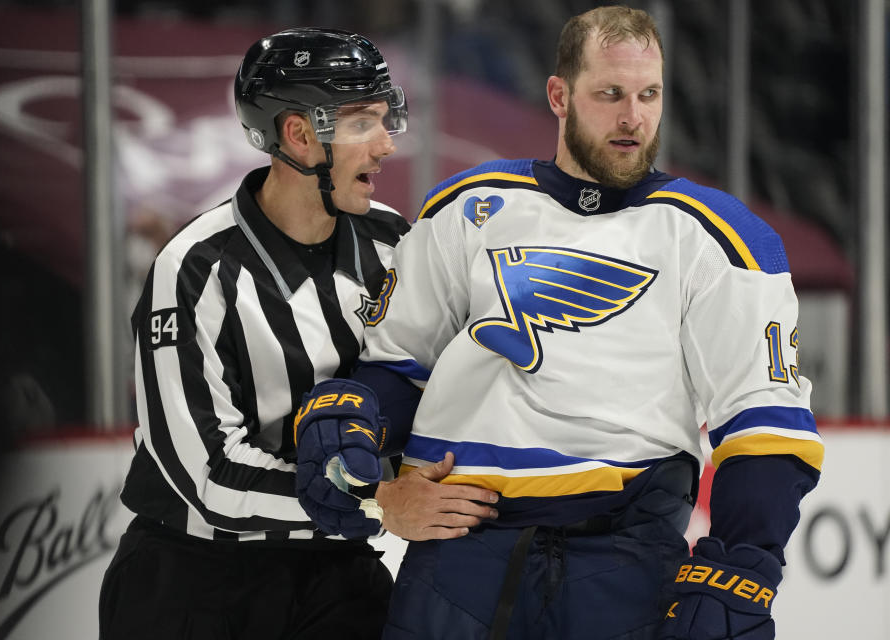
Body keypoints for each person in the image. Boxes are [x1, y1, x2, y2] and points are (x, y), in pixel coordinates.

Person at [292, 6, 824, 640]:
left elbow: (764, 423)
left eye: (648, 94)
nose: (634, 117)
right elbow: (400, 367)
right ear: (559, 95)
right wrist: (355, 423)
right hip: (458, 561)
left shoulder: (720, 237)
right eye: (610, 94)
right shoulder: (468, 210)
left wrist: (744, 565)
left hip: (624, 564)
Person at [98, 27, 496, 640]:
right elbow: (206, 477)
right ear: (300, 135)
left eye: (388, 119)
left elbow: (441, 385)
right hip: (191, 582)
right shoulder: (195, 267)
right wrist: (374, 500)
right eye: (364, 122)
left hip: (338, 572)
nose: (387, 145)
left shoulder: (395, 243)